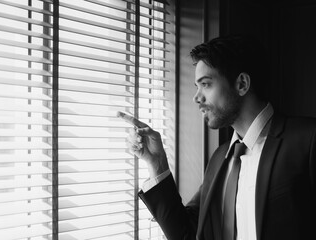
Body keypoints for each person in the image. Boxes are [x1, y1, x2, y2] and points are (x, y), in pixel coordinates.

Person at [117, 35, 316, 240]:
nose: (197, 97)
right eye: (197, 86)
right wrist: (157, 164)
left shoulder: (307, 140)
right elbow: (186, 233)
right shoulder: (220, 158)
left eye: (206, 84)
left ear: (241, 84)